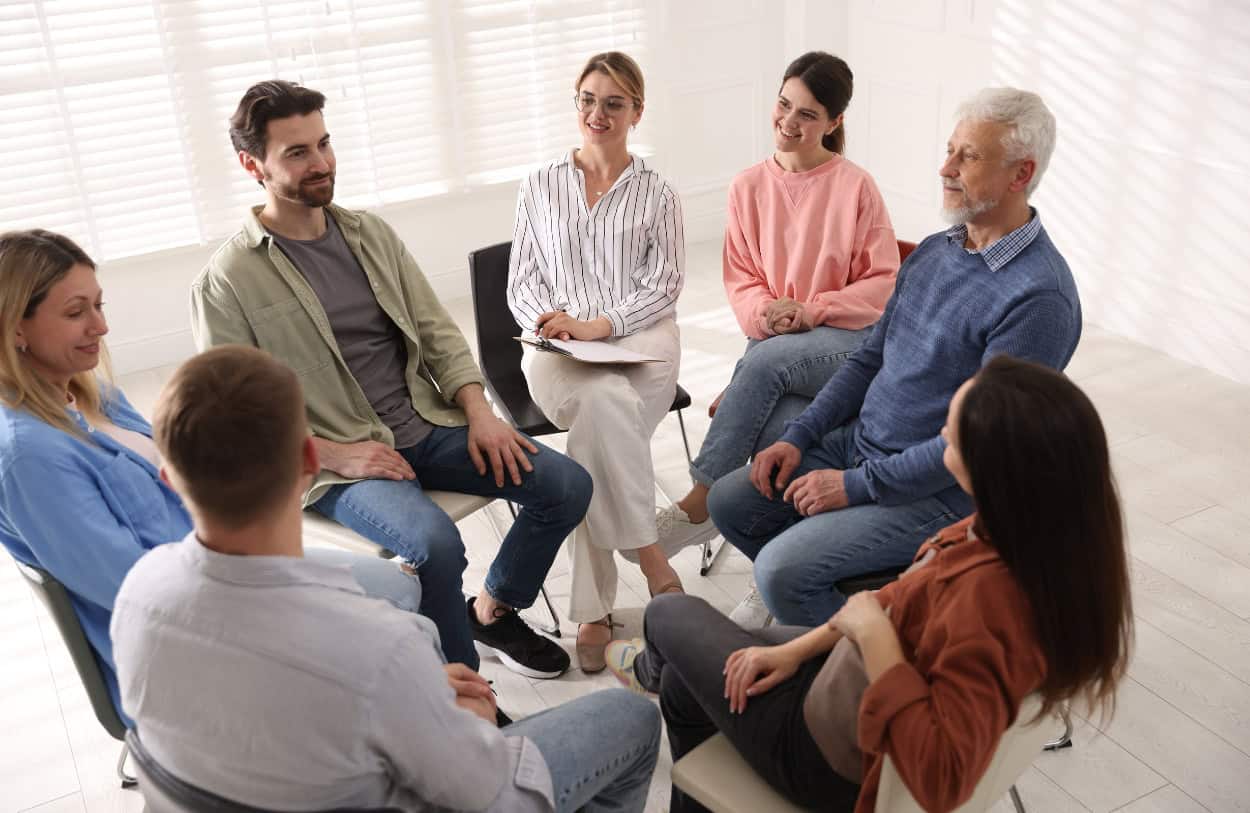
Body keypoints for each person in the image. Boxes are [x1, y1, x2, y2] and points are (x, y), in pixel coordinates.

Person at [111, 346, 661, 812]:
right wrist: (461, 722)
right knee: (630, 717)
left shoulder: (137, 595)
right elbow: (481, 791)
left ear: (167, 475)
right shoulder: (379, 645)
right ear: (310, 459)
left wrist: (410, 697)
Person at [608, 356, 1134, 812]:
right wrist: (800, 648)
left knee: (665, 616)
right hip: (841, 682)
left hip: (828, 755)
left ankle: (650, 669)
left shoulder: (989, 600)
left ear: (991, 467)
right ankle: (670, 684)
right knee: (686, 683)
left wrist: (874, 634)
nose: (940, 439)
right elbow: (897, 598)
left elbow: (940, 781)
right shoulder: (1016, 532)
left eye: (949, 436)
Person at [192, 80, 593, 677]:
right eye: (296, 152)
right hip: (334, 461)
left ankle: (491, 612)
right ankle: (463, 698)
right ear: (253, 165)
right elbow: (231, 422)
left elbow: (438, 335)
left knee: (566, 485)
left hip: (427, 424)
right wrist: (334, 454)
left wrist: (480, 413)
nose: (321, 163)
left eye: (323, 143)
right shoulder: (226, 281)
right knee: (435, 546)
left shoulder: (370, 235)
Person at [0, 229, 423, 723]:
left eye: (98, 305)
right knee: (395, 613)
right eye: (76, 313)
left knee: (399, 591)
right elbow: (137, 593)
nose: (101, 326)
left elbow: (183, 484)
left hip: (223, 572)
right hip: (192, 633)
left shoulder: (88, 394)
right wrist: (277, 596)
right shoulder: (27, 456)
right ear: (15, 328)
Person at [708, 87, 1082, 627]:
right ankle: (852, 608)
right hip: (863, 447)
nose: (945, 167)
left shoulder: (1038, 299)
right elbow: (869, 357)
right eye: (950, 149)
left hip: (941, 494)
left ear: (1020, 174)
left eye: (968, 156)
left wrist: (852, 489)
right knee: (731, 503)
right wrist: (801, 435)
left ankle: (880, 665)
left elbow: (976, 449)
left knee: (781, 573)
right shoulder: (939, 250)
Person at [650, 51, 900, 575]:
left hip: (849, 341)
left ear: (834, 123)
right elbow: (742, 277)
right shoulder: (748, 186)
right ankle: (780, 564)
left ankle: (700, 501)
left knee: (764, 368)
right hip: (775, 340)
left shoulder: (856, 186)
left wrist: (812, 310)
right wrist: (767, 314)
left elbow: (883, 284)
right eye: (784, 105)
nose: (788, 122)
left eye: (807, 115)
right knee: (781, 429)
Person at [507, 51, 685, 672]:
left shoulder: (657, 193)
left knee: (599, 426)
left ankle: (592, 613)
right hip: (558, 352)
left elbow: (663, 286)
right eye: (587, 99)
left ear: (637, 110)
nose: (597, 113)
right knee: (602, 409)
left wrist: (601, 326)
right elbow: (521, 281)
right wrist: (551, 325)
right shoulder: (539, 184)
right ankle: (651, 555)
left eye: (613, 102)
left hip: (643, 346)